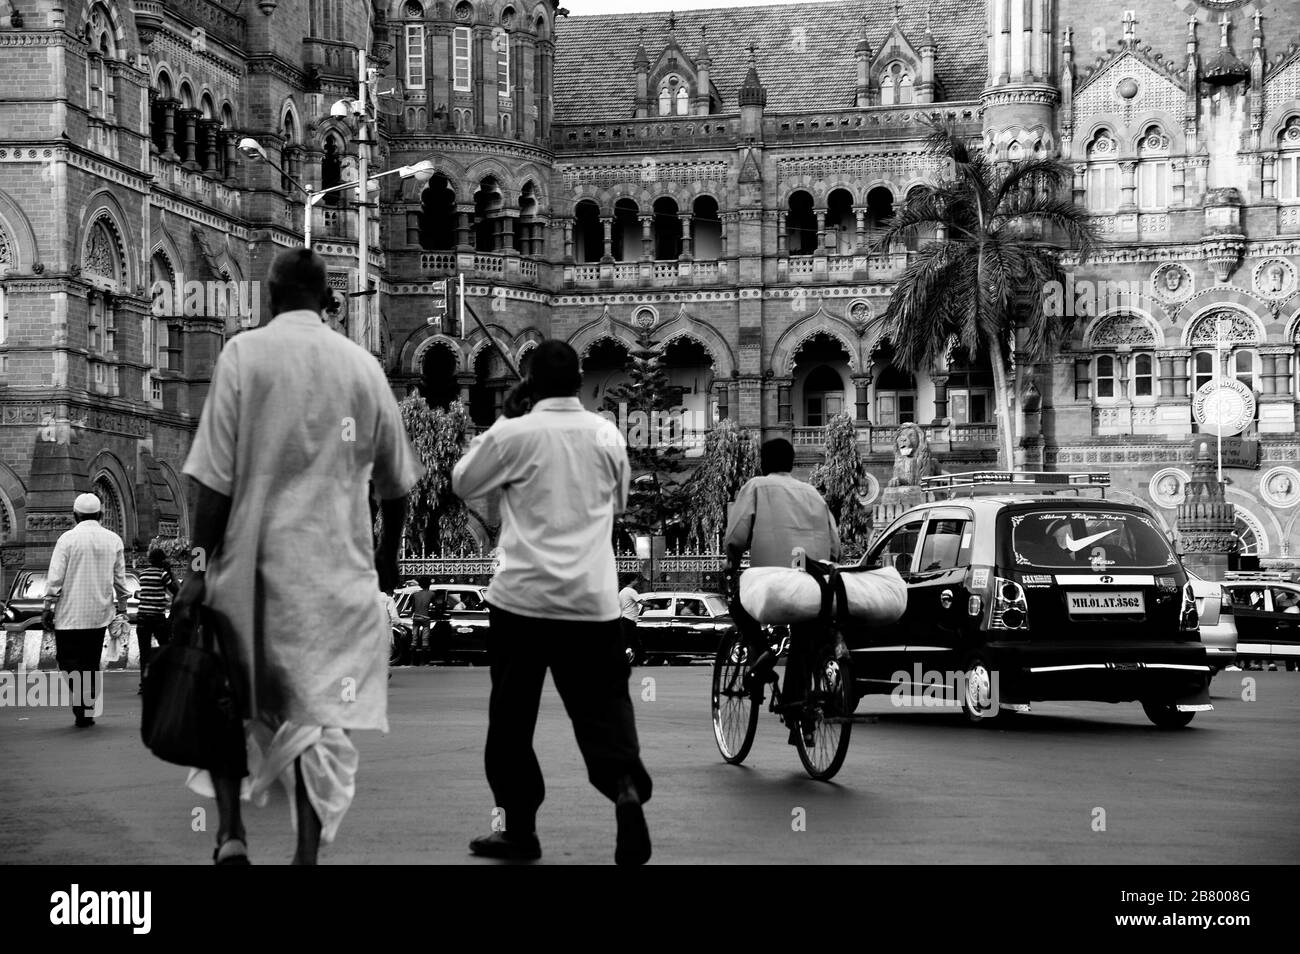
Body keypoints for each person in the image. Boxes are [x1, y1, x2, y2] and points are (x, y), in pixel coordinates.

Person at [172, 248, 422, 866]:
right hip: (334, 580)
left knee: (227, 699)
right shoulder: (363, 369)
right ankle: (306, 853)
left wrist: (198, 570)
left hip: (248, 576)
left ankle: (230, 831)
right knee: (316, 719)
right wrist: (388, 559)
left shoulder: (243, 356)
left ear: (271, 298)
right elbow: (397, 486)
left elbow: (213, 481)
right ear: (329, 302)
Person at [453, 339, 652, 865]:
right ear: (580, 380)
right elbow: (620, 502)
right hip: (592, 602)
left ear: (531, 384)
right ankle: (626, 792)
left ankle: (519, 829)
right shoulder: (607, 434)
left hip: (521, 602)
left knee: (512, 720)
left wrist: (508, 421)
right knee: (605, 711)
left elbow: (462, 481)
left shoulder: (514, 433)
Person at [724, 438, 840, 742]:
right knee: (804, 640)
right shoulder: (813, 492)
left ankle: (761, 651)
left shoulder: (757, 486)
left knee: (736, 602)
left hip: (772, 581)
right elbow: (836, 544)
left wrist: (732, 561)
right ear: (791, 463)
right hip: (813, 583)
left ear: (764, 462)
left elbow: (736, 535)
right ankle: (796, 711)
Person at [42, 493, 129, 728]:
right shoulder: (113, 540)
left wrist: (48, 606)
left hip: (69, 616)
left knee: (67, 660)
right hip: (99, 615)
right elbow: (120, 581)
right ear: (100, 515)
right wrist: (122, 608)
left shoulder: (67, 539)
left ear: (75, 515)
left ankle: (81, 700)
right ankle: (86, 709)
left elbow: (55, 577)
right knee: (91, 662)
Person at [135, 547, 179, 694]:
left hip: (142, 617)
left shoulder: (142, 575)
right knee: (165, 648)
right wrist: (170, 572)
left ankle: (144, 684)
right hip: (157, 618)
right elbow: (176, 592)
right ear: (162, 560)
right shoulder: (163, 574)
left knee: (144, 652)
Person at [409, 578, 435, 665]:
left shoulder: (415, 594)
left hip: (416, 618)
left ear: (420, 585)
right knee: (425, 639)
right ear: (429, 585)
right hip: (425, 618)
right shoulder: (431, 594)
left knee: (414, 639)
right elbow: (435, 605)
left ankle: (412, 662)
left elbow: (412, 608)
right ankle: (422, 662)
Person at [618, 574, 643, 663]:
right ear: (631, 581)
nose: (637, 581)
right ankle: (639, 660)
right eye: (636, 580)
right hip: (630, 620)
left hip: (623, 619)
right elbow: (641, 601)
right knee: (634, 641)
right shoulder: (631, 591)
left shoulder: (622, 592)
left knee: (627, 641)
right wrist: (653, 605)